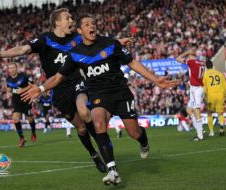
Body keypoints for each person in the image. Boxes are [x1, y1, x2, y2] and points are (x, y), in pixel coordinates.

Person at [19, 15, 179, 185]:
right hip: (98, 95)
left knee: (134, 132)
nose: (91, 26)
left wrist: (156, 80)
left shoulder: (110, 44)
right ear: (80, 31)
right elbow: (58, 77)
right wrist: (41, 88)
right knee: (98, 124)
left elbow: (132, 63)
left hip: (120, 92)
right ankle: (113, 171)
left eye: (93, 23)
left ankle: (143, 140)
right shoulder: (74, 54)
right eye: (87, 24)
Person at [0, 8, 111, 173]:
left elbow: (103, 41)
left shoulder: (77, 38)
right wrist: (1, 53)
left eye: (72, 17)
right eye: (67, 18)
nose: (71, 20)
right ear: (57, 22)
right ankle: (94, 154)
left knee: (84, 111)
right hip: (57, 90)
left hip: (77, 82)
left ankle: (105, 152)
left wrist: (119, 41)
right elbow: (22, 49)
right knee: (80, 128)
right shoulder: (45, 39)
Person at [176, 49, 205, 141]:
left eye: (188, 56)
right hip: (197, 87)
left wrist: (186, 52)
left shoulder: (191, 62)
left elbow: (178, 58)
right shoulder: (201, 62)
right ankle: (199, 128)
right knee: (189, 110)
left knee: (196, 109)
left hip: (197, 88)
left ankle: (200, 135)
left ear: (189, 55)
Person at [6, 62, 36, 147]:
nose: (11, 69)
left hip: (26, 99)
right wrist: (8, 93)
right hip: (16, 101)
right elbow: (8, 88)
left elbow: (32, 85)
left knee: (30, 119)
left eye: (13, 68)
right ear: (8, 70)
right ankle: (22, 138)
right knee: (15, 119)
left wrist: (23, 90)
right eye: (10, 68)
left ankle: (33, 132)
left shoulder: (23, 76)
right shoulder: (8, 79)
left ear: (16, 68)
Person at [202, 59, 226, 136]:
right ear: (212, 65)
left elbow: (204, 87)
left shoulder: (205, 74)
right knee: (220, 113)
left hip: (211, 95)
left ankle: (211, 131)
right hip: (220, 95)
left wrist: (205, 96)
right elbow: (225, 85)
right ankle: (221, 127)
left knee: (209, 113)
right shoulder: (219, 73)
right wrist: (225, 95)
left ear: (206, 66)